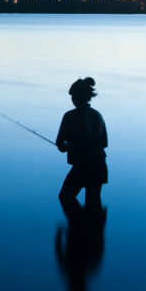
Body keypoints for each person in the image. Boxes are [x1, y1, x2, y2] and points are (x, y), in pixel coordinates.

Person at [56, 77, 108, 209]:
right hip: (99, 164)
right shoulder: (98, 115)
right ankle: (88, 227)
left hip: (82, 166)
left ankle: (76, 226)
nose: (72, 99)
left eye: (72, 96)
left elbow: (60, 144)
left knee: (65, 197)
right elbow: (105, 143)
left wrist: (68, 147)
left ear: (77, 96)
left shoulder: (69, 116)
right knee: (93, 202)